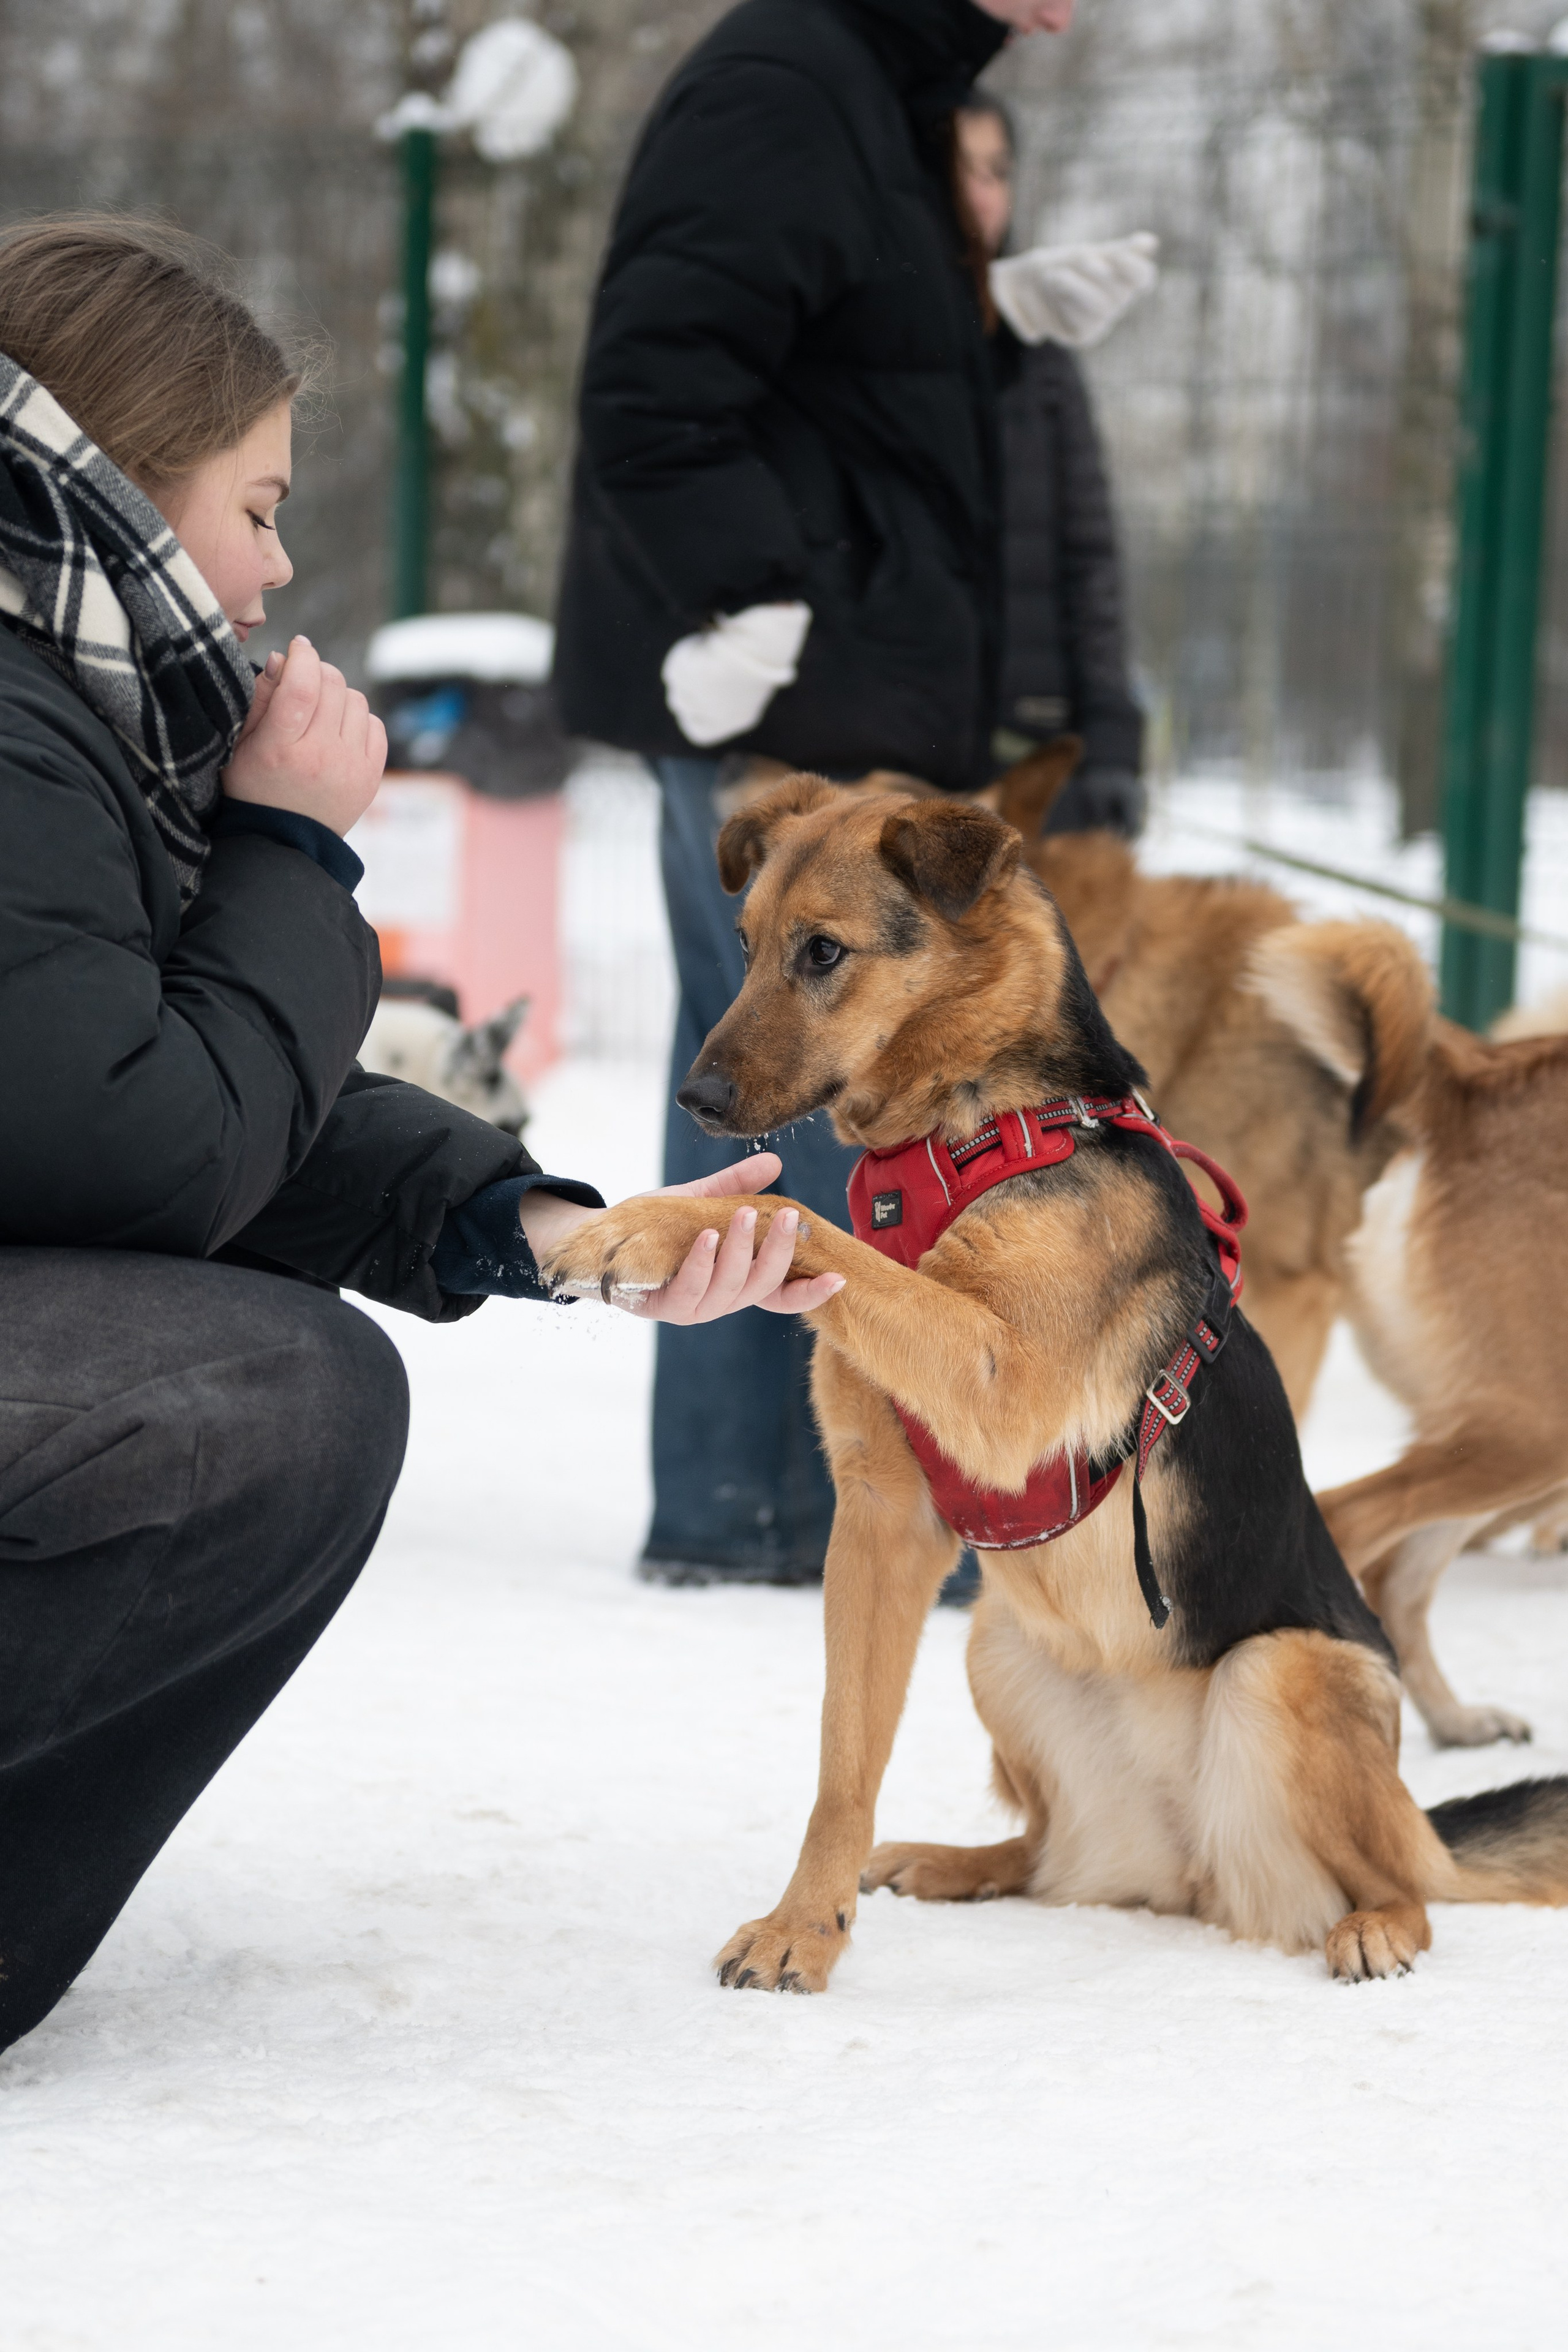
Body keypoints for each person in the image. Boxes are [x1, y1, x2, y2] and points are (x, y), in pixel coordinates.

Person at [0, 217, 840, 2057]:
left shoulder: (71, 710)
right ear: (124, 479)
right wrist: (294, 847)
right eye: (258, 503)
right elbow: (144, 1158)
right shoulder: (17, 722)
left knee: (270, 1374)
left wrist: (536, 1227)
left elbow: (120, 1095)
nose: (277, 568)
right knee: (263, 1396)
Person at [554, 0, 1079, 1588]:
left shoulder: (880, 86)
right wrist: (745, 595)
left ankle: (821, 1501)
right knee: (762, 1070)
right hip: (775, 695)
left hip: (852, 688)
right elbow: (657, 380)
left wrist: (985, 330)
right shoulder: (792, 80)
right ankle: (748, 1514)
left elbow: (829, 384)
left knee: (828, 1077)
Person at [954, 94, 1147, 835]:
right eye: (960, 169)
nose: (981, 194)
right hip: (903, 753)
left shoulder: (1042, 359)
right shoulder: (858, 344)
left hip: (1036, 756)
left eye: (998, 172)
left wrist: (1110, 746)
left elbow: (1089, 557)